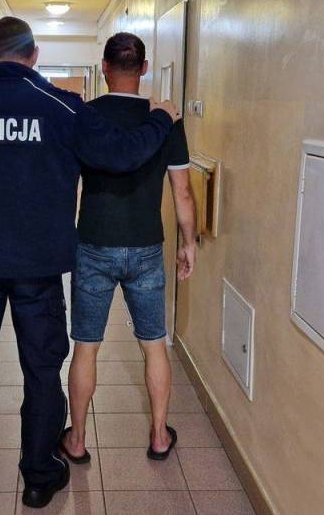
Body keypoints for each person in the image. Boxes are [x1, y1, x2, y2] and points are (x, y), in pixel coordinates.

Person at [0, 17, 181, 509]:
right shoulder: (62, 107)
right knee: (41, 371)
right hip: (39, 268)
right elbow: (122, 155)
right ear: (34, 56)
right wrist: (161, 119)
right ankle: (40, 476)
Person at [61, 32, 197, 467]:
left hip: (93, 244)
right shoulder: (166, 119)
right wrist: (189, 242)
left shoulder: (86, 117)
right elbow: (182, 192)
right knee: (154, 344)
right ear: (144, 68)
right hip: (146, 247)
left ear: (104, 67)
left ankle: (77, 440)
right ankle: (158, 435)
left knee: (86, 346)